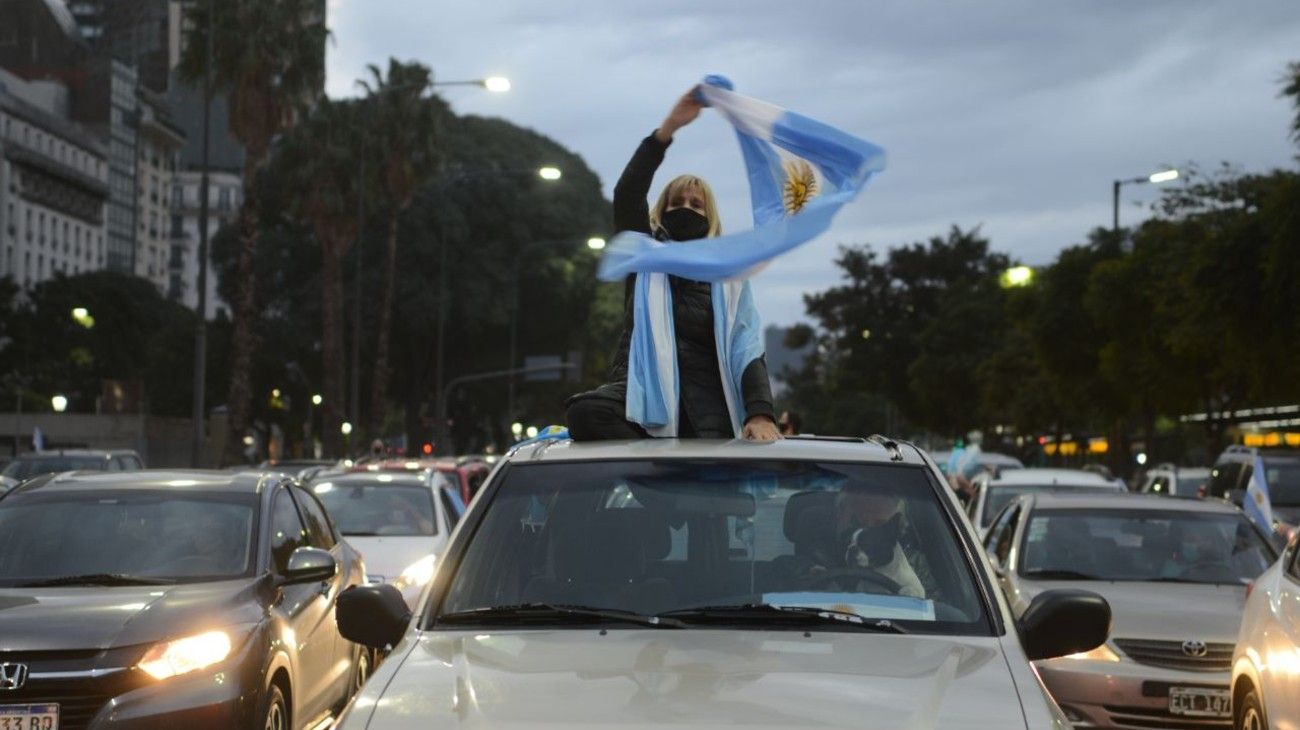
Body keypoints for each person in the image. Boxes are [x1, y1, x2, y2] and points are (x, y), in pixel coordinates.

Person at [566, 87, 779, 442]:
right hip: (642, 398)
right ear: (661, 211)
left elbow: (746, 346)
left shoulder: (730, 278)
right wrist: (667, 130)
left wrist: (760, 413)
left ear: (710, 219)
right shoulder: (643, 256)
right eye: (677, 202)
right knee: (585, 414)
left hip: (707, 407)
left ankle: (668, 480)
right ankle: (657, 480)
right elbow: (628, 194)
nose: (687, 209)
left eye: (697, 205)